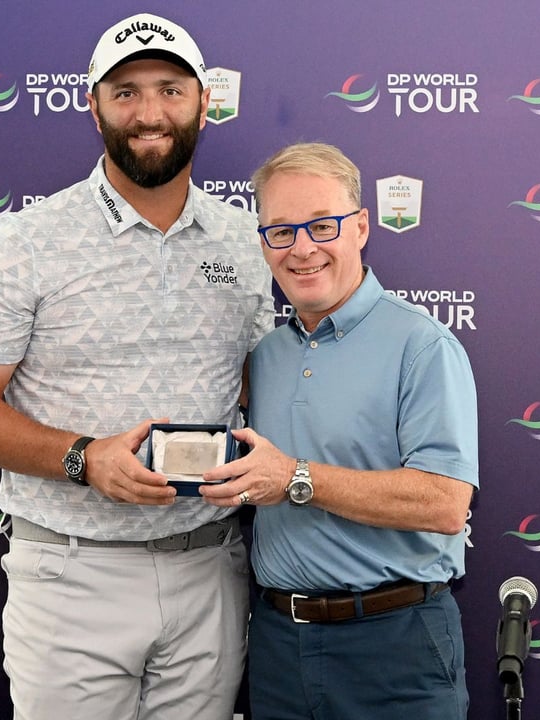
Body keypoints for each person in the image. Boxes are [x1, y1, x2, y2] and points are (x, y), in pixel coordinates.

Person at [0, 12, 274, 720]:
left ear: (205, 103)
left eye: (171, 90)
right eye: (126, 92)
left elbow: (257, 385)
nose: (150, 113)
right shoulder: (25, 241)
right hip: (71, 574)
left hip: (210, 566)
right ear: (93, 107)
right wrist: (85, 459)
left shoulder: (249, 241)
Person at [201, 142, 476, 718]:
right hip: (278, 645)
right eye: (281, 231)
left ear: (361, 228)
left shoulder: (422, 346)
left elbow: (445, 503)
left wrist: (296, 478)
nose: (302, 249)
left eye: (321, 226)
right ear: (263, 243)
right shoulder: (264, 356)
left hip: (396, 646)